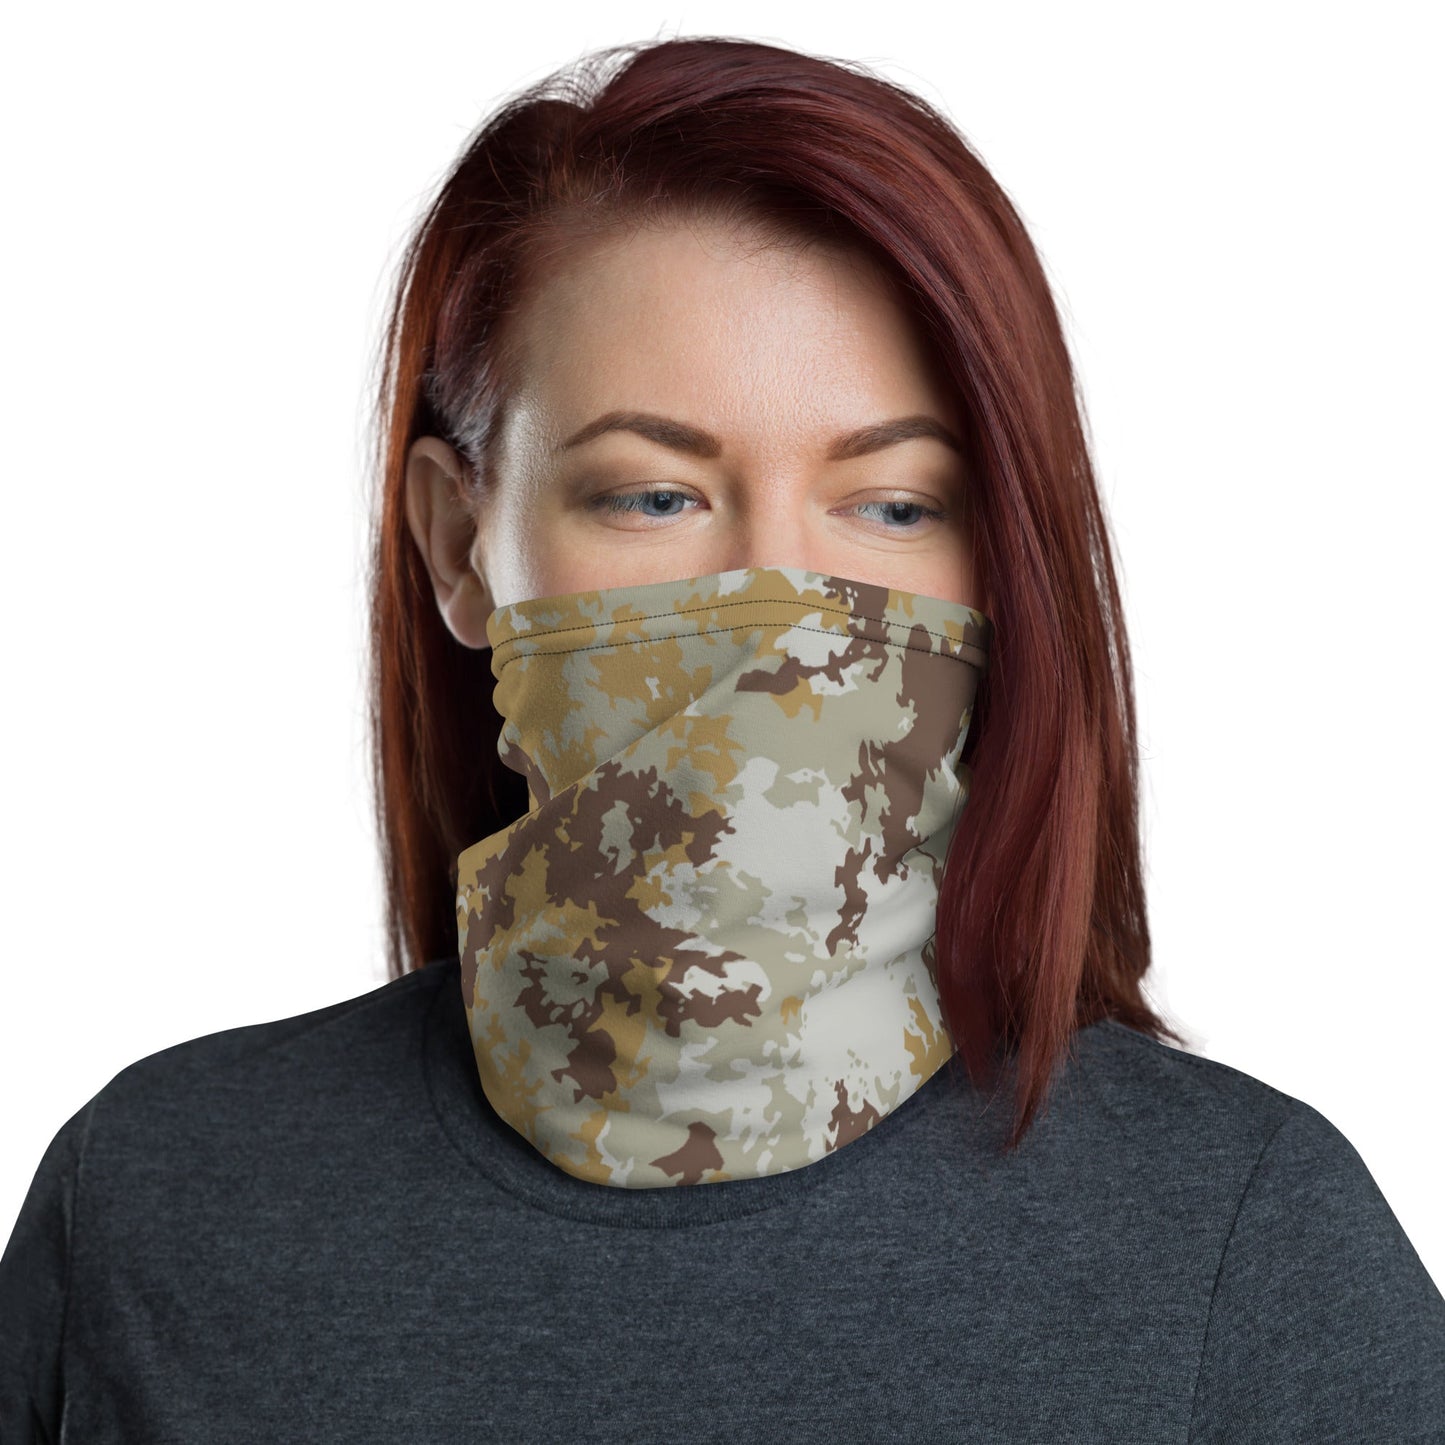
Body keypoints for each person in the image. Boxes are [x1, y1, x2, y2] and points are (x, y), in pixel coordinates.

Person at [2, 32, 1442, 1442]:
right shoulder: (153, 1205)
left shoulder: (1249, 1243)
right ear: (458, 548)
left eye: (894, 504)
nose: (775, 604)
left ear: (999, 564)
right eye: (651, 496)